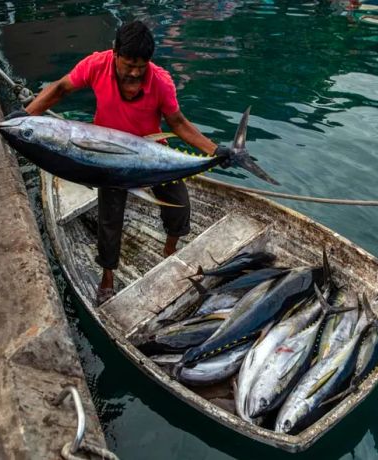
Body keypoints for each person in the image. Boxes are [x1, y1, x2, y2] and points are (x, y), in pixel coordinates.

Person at [13, 20, 232, 306]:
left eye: (141, 67)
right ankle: (107, 279)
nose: (134, 72)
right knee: (109, 221)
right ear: (114, 52)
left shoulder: (160, 81)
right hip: (107, 161)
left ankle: (170, 253)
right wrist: (25, 115)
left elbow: (177, 123)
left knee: (180, 204)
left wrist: (215, 149)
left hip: (152, 155)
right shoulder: (96, 65)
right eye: (128, 64)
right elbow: (61, 88)